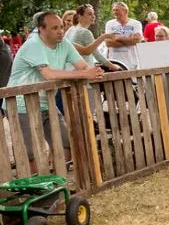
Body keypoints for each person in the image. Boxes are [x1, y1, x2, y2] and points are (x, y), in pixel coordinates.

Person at [2, 10, 103, 172]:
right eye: (54, 28)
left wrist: (95, 72)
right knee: (31, 152)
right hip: (21, 105)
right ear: (41, 29)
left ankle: (57, 182)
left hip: (46, 102)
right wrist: (85, 74)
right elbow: (49, 74)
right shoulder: (33, 44)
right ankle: (36, 191)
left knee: (64, 143)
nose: (60, 31)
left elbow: (83, 66)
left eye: (61, 27)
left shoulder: (64, 43)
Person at [65, 4, 119, 71]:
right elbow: (97, 55)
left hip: (68, 70)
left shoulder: (71, 29)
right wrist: (115, 67)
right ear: (80, 16)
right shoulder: (85, 32)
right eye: (89, 14)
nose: (93, 16)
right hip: (81, 72)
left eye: (93, 14)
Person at [104, 2, 143, 69]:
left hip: (132, 62)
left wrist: (117, 38)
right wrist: (129, 40)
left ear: (125, 11)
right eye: (113, 10)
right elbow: (108, 42)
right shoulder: (109, 24)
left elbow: (137, 40)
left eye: (117, 10)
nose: (114, 12)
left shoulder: (136, 23)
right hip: (114, 62)